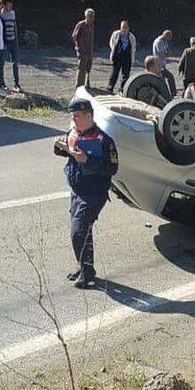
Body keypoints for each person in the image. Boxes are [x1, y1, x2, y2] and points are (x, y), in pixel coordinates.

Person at [53, 97, 118, 289]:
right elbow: (67, 154)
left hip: (94, 193)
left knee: (78, 232)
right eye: (72, 117)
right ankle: (85, 268)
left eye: (77, 117)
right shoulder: (74, 133)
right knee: (83, 231)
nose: (73, 121)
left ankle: (88, 274)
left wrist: (87, 159)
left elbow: (112, 168)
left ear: (88, 115)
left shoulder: (103, 140)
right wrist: (60, 146)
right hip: (77, 190)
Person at [0, 0, 22, 92]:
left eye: (11, 4)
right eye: (9, 5)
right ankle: (2, 84)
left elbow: (14, 26)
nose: (11, 6)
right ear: (4, 5)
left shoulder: (13, 13)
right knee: (2, 63)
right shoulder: (0, 14)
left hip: (13, 41)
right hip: (4, 42)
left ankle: (16, 84)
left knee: (15, 63)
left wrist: (16, 40)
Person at [107, 19, 136, 93]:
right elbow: (111, 43)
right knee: (114, 73)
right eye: (123, 27)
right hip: (117, 57)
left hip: (127, 57)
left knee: (125, 75)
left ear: (128, 28)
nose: (124, 29)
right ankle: (110, 88)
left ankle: (122, 90)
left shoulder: (132, 37)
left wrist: (132, 60)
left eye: (125, 27)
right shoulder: (116, 34)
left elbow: (133, 48)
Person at [72, 8, 95, 89]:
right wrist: (78, 47)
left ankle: (86, 83)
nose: (92, 18)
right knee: (81, 68)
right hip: (82, 51)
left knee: (88, 68)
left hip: (90, 51)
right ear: (86, 16)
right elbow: (74, 36)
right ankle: (79, 85)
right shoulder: (81, 24)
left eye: (93, 16)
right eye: (90, 16)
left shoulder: (92, 25)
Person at [152, 29, 176, 97]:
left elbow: (167, 50)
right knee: (163, 81)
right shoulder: (159, 42)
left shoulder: (164, 41)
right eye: (169, 37)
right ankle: (165, 95)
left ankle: (173, 94)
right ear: (166, 36)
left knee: (170, 77)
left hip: (162, 65)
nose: (170, 39)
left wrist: (168, 52)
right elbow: (162, 53)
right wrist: (168, 54)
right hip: (158, 65)